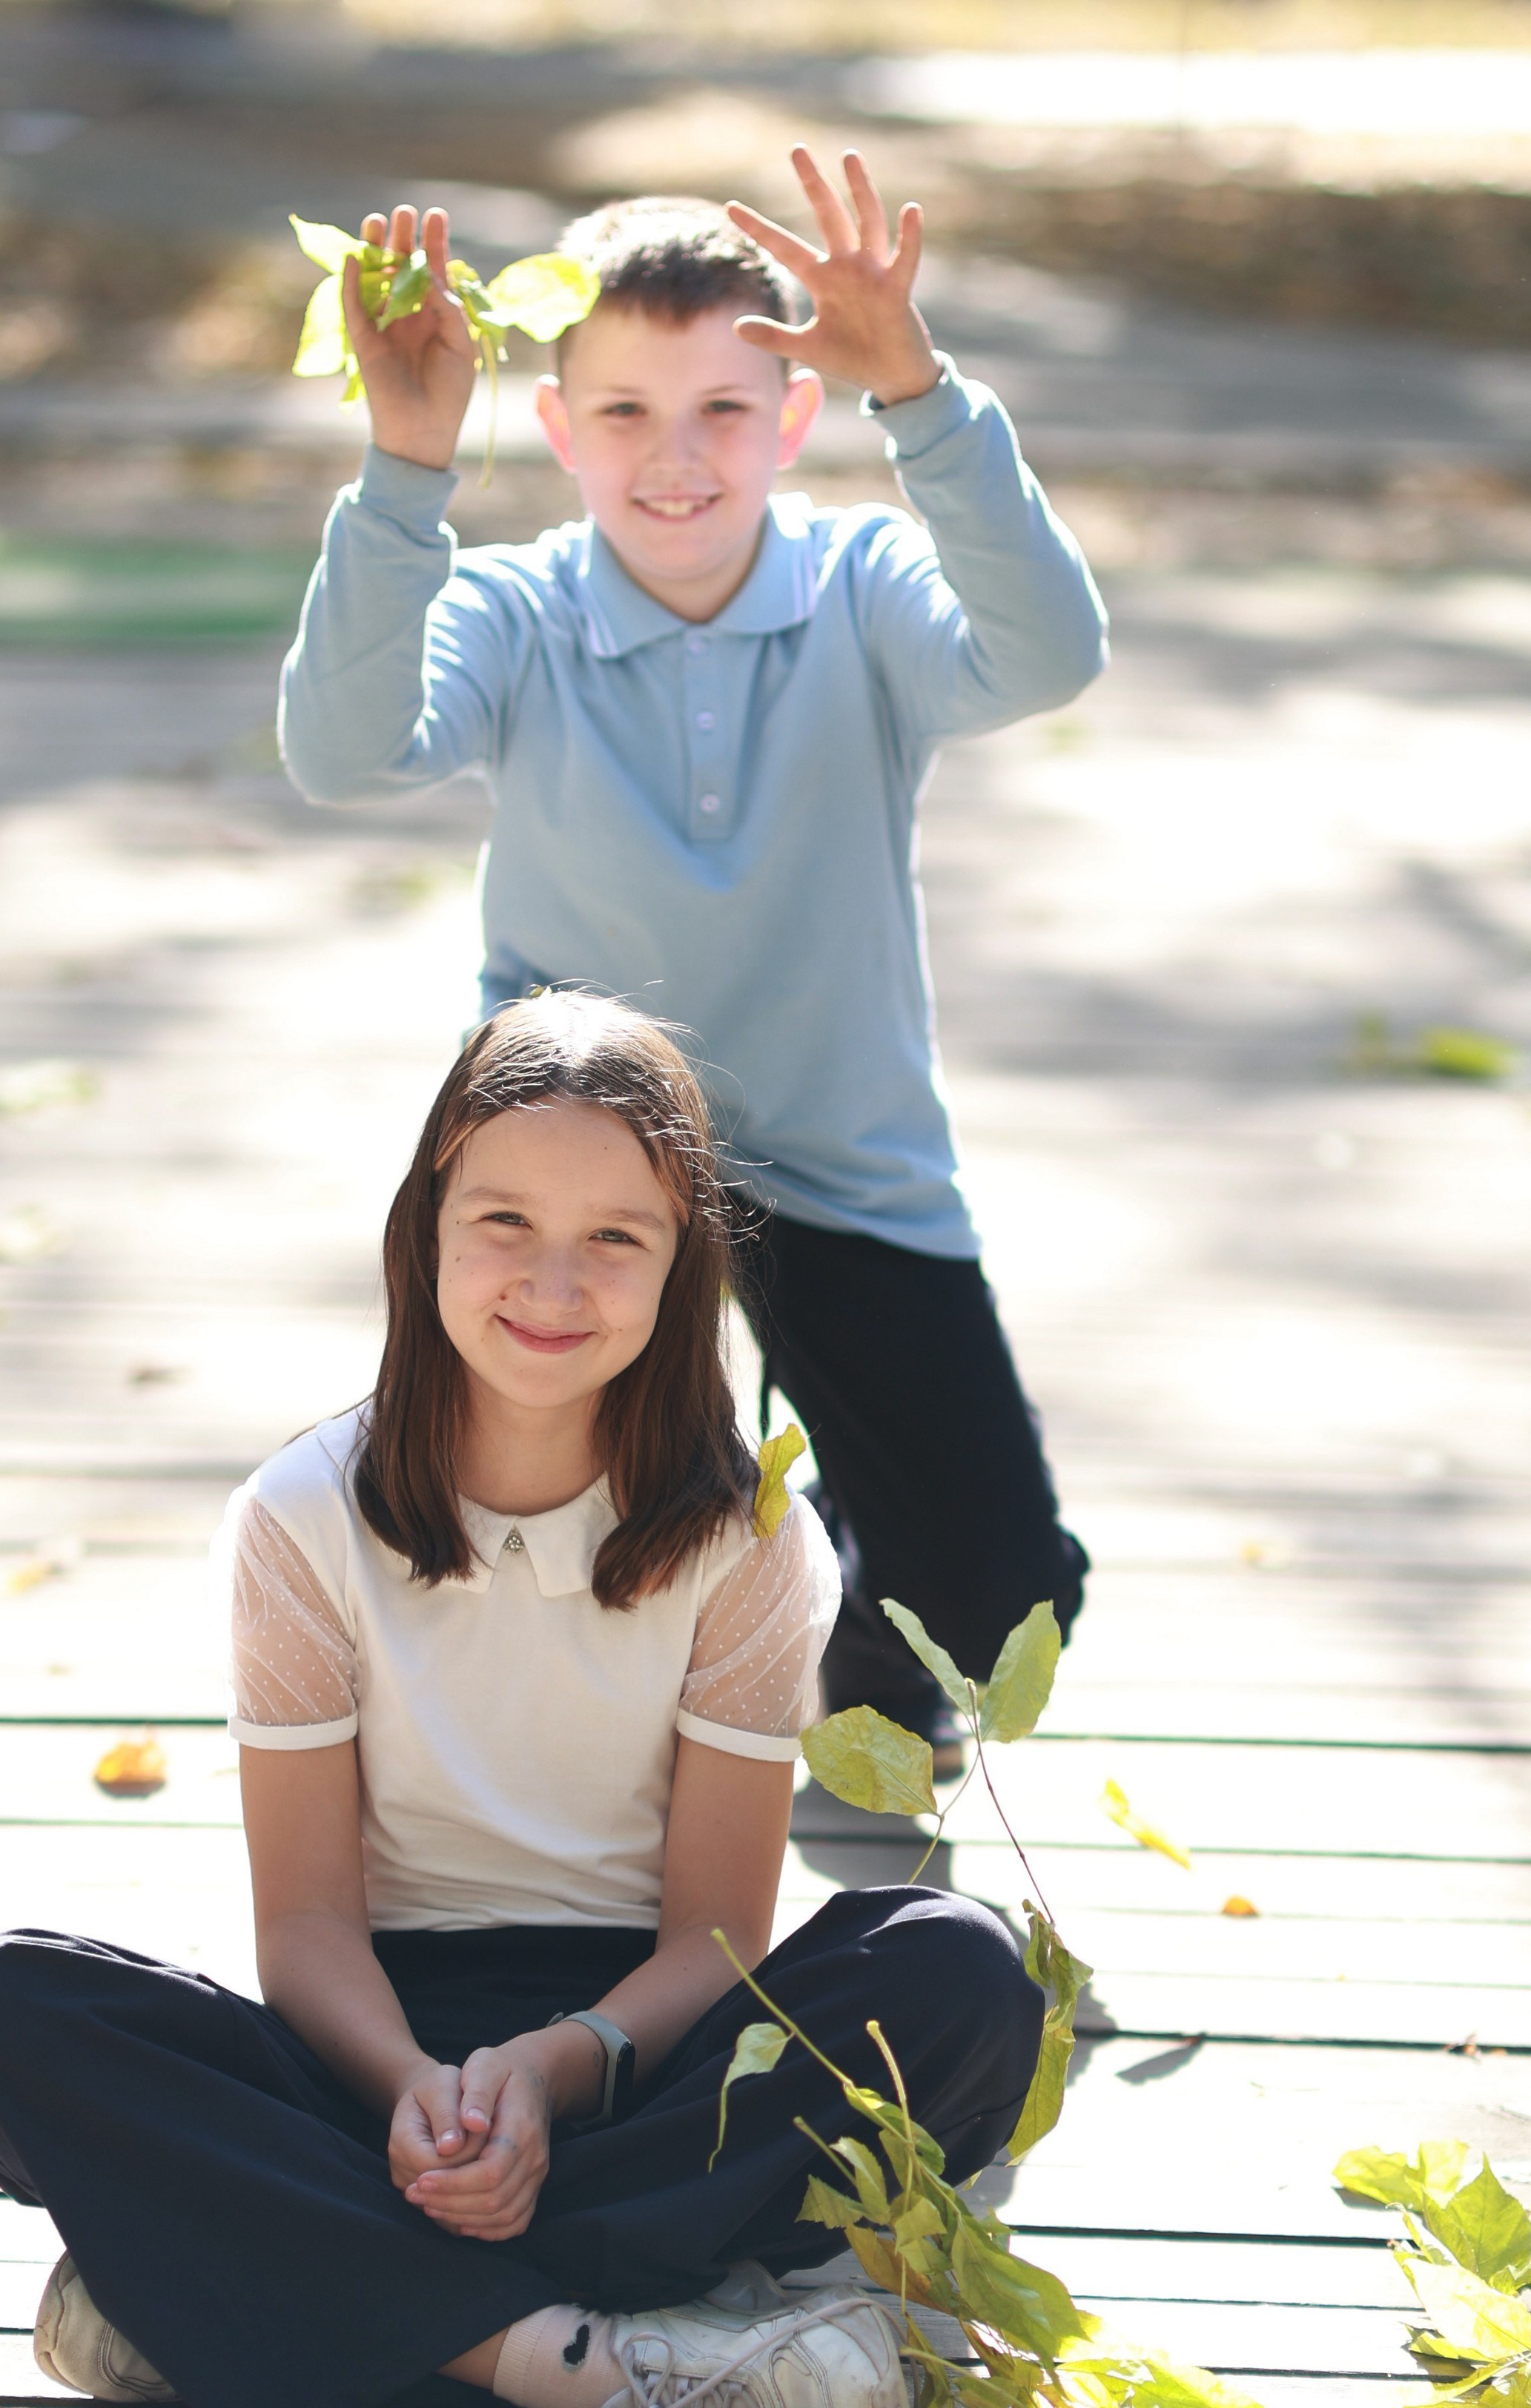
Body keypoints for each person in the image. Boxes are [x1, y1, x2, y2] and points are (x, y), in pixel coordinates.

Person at [0, 994, 1042, 2408]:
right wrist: (420, 2097)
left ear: (684, 1264)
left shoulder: (754, 1541)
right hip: (374, 2053)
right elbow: (308, 1922)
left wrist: (554, 2072)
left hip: (645, 2055)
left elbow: (719, 1927)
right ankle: (592, 2365)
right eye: (505, 1217)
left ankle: (239, 2292)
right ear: (427, 1222)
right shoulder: (300, 1519)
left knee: (965, 1975)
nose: (552, 1281)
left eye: (617, 1238)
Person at [277, 148, 1108, 1749]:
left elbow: (1048, 653)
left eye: (725, 410)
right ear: (560, 427)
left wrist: (923, 393)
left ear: (795, 420)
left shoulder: (863, 591)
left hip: (833, 1144)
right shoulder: (516, 614)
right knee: (538, 1554)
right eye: (626, 414)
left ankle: (861, 1674)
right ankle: (525, 1767)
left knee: (1004, 1600)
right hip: (579, 1164)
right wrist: (402, 466)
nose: (676, 458)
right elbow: (342, 749)